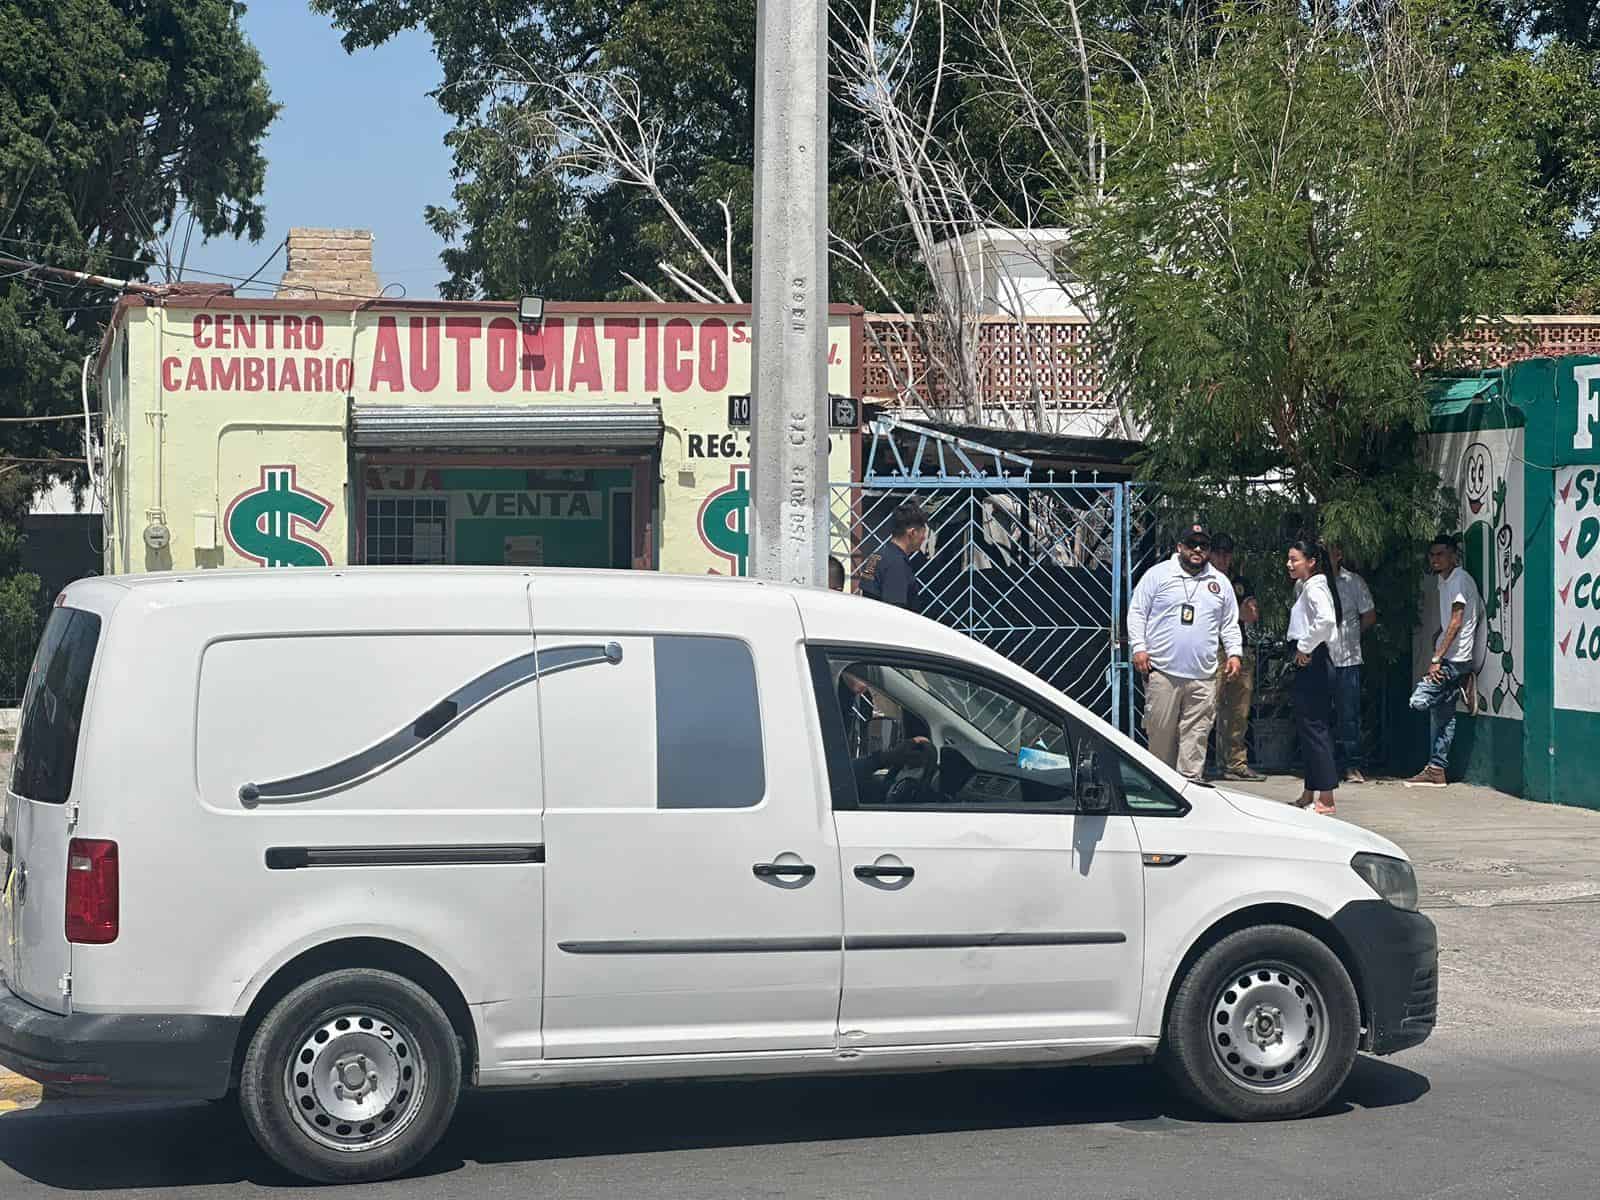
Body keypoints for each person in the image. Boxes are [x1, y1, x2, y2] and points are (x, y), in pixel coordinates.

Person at [1128, 521, 1243, 780]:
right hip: (1163, 672)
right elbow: (1137, 613)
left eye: (1203, 545)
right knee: (1160, 735)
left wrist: (1234, 653)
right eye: (1192, 544)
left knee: (1197, 736)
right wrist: (1139, 648)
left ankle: (1189, 787)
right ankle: (1159, 788)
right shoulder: (1157, 575)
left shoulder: (1220, 582)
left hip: (1203, 676)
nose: (1198, 549)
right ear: (1180, 547)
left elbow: (1229, 623)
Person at [1406, 535, 1482, 787]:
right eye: (1432, 555)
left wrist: (1436, 658)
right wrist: (1437, 636)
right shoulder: (1443, 580)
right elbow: (1449, 620)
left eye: (1440, 554)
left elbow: (1457, 620)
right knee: (1442, 717)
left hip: (1455, 659)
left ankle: (1459, 684)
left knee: (1419, 700)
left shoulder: (1459, 579)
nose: (1435, 559)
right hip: (1450, 656)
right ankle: (1437, 769)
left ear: (1453, 555)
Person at [1285, 539, 1341, 815]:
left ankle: (1326, 799)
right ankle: (1310, 792)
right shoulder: (1305, 587)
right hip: (1309, 660)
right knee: (1307, 728)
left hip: (1314, 661)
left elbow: (1326, 621)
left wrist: (1305, 647)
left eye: (1295, 559)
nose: (1290, 564)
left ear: (1311, 561)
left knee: (1316, 729)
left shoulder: (1315, 588)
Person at [1208, 534, 1263, 781]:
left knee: (1239, 710)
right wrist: (1234, 612)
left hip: (1238, 649)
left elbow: (1251, 614)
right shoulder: (1202, 579)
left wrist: (1231, 613)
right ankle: (1201, 762)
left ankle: (1235, 762)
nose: (1222, 558)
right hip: (1210, 649)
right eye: (1218, 552)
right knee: (1208, 708)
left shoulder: (1239, 583)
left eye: (1227, 553)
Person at [1326, 544, 1377, 783]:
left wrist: (1352, 635)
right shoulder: (1308, 584)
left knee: (1349, 715)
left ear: (1339, 554)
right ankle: (1323, 764)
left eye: (1331, 550)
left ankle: (1351, 765)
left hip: (1348, 658)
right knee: (1321, 714)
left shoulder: (1354, 582)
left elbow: (1369, 615)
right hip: (1322, 659)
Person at [861, 502, 929, 612]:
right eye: (923, 533)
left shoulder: (879, 555)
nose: (924, 538)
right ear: (912, 533)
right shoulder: (896, 564)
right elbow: (896, 611)